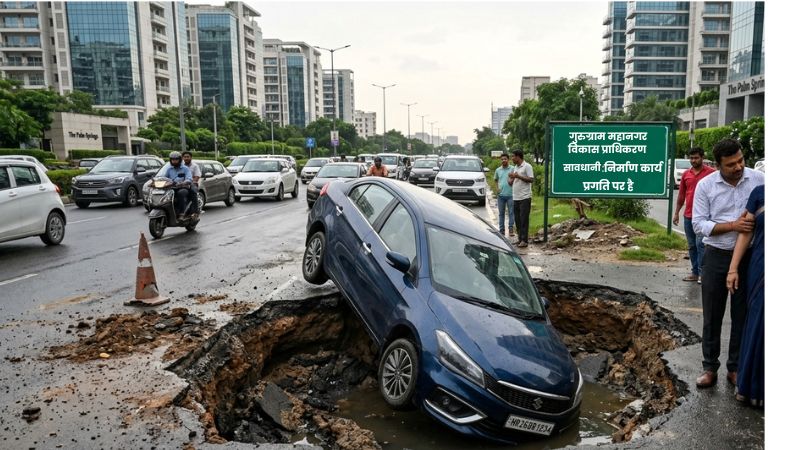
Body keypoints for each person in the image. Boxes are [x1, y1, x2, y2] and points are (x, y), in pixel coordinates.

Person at [692, 139, 764, 388]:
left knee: (742, 314)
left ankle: (735, 367)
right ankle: (709, 367)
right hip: (716, 256)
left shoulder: (758, 179)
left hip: (749, 258)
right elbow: (699, 225)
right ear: (719, 165)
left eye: (741, 160)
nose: (738, 167)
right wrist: (733, 226)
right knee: (712, 314)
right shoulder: (706, 186)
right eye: (731, 164)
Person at [726, 184, 764, 407]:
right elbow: (746, 231)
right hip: (762, 269)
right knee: (761, 323)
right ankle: (756, 388)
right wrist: (733, 268)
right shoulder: (760, 193)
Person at [672, 147, 716, 283]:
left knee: (701, 244)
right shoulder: (686, 174)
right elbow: (681, 195)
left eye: (696, 158)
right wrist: (676, 213)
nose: (693, 160)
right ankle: (695, 273)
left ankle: (703, 274)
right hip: (689, 215)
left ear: (702, 158)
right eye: (691, 158)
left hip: (704, 217)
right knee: (691, 245)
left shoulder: (712, 174)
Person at [508, 150, 533, 248]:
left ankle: (524, 240)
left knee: (524, 219)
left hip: (525, 197)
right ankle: (520, 239)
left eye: (513, 157)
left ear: (518, 157)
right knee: (517, 219)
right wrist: (511, 178)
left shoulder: (527, 166)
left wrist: (518, 176)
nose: (512, 158)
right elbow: (512, 182)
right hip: (516, 197)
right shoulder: (515, 167)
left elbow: (531, 179)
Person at [164, 152, 193, 219]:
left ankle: (182, 213)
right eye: (172, 159)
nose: (174, 161)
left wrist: (184, 182)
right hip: (172, 188)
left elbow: (189, 178)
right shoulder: (169, 169)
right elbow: (164, 178)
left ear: (179, 160)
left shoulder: (185, 169)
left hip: (182, 187)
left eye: (176, 159)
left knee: (181, 193)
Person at [493, 153, 515, 237]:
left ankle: (511, 230)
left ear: (508, 160)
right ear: (500, 160)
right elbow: (495, 179)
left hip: (511, 194)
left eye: (505, 159)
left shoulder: (513, 168)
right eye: (502, 159)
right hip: (501, 195)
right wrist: (497, 188)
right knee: (501, 213)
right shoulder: (498, 170)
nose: (503, 160)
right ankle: (501, 230)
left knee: (511, 212)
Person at [182, 151, 201, 216]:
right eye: (185, 157)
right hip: (181, 184)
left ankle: (195, 211)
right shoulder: (180, 166)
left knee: (193, 191)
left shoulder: (195, 166)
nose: (186, 158)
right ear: (182, 158)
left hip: (192, 183)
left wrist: (190, 182)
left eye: (188, 157)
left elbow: (197, 176)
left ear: (191, 158)